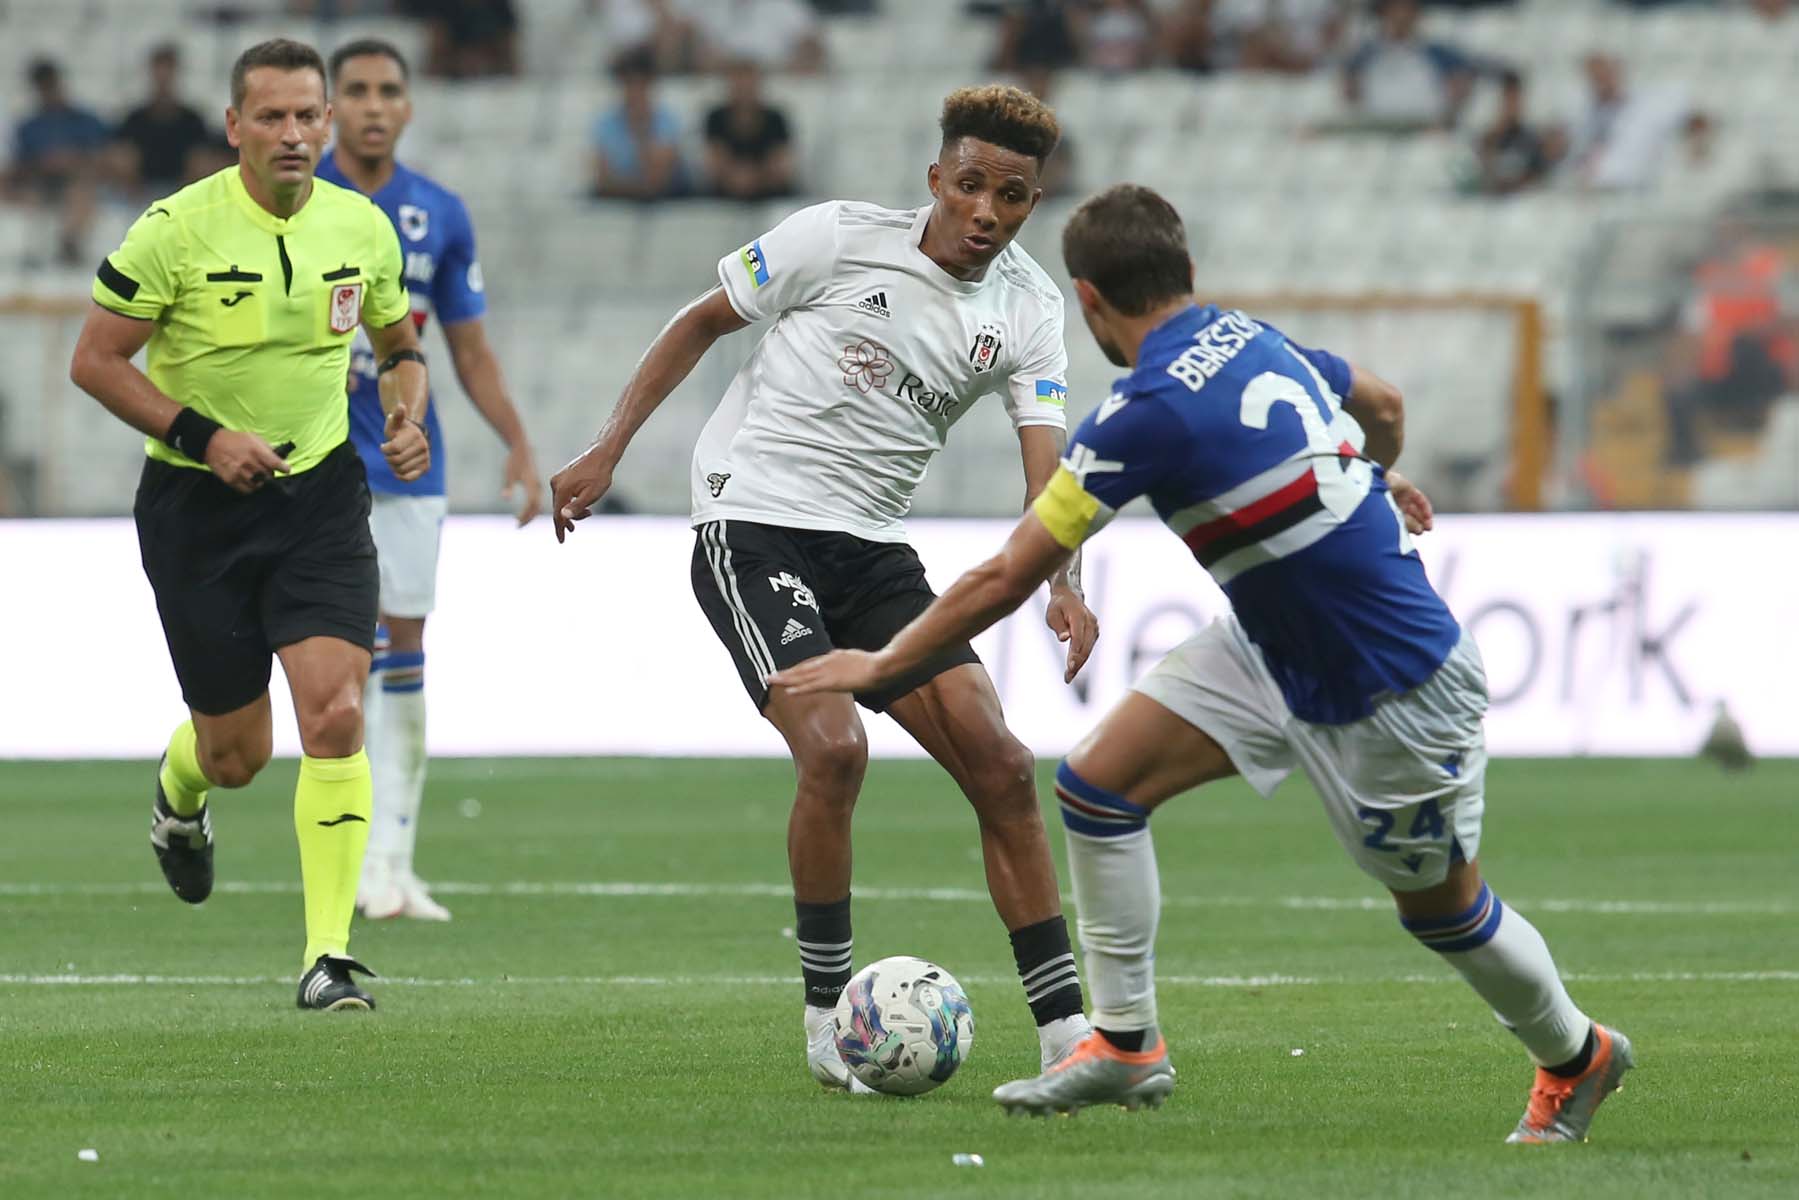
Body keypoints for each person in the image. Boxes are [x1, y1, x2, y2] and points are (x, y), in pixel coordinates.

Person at [771, 184, 1635, 1142]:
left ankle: (1575, 1053)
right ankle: (1126, 1044)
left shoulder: (1138, 417)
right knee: (1098, 787)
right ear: (1185, 274)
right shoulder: (1251, 336)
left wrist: (882, 660)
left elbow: (1010, 573)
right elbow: (1380, 403)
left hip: (1390, 685)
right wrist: (1364, 475)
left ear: (1090, 302)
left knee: (1440, 908)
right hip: (1271, 644)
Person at [551, 85, 1100, 1090]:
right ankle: (823, 1019)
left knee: (1001, 764)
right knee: (835, 746)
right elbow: (698, 321)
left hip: (872, 553)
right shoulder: (836, 239)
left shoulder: (1027, 308)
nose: (986, 212)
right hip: (751, 523)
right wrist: (606, 448)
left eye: (1012, 197)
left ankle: (1069, 1039)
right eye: (970, 186)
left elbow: (1046, 472)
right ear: (936, 179)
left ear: (1033, 201)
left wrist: (1065, 580)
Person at [68, 38, 430, 1012]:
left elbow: (399, 345)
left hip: (317, 498)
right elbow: (95, 361)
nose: (294, 134)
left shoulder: (361, 228)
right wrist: (202, 434)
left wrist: (404, 409)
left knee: (338, 712)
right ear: (233, 127)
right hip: (196, 510)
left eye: (308, 116)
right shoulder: (172, 231)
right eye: (270, 117)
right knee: (237, 756)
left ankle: (327, 957)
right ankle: (178, 795)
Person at [318, 38, 543, 922]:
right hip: (304, 462)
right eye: (358, 91)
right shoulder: (299, 201)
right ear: (333, 107)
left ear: (408, 108)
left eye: (389, 91)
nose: (375, 106)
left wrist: (519, 443)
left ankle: (391, 864)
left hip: (411, 460)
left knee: (400, 648)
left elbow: (470, 349)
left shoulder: (437, 214)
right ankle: (345, 852)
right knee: (327, 662)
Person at [5, 58, 108, 264]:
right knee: (26, 194)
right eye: (43, 87)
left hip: (77, 180)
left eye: (50, 85)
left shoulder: (84, 119)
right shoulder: (30, 125)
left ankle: (70, 242)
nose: (48, 91)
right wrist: (43, 163)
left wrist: (72, 160)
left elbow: (103, 156)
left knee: (79, 192)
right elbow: (19, 165)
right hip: (40, 183)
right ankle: (32, 251)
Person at [114, 44, 218, 200]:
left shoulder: (192, 120)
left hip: (181, 193)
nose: (163, 80)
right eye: (159, 74)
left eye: (167, 74)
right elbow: (122, 158)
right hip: (139, 194)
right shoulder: (135, 119)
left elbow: (201, 160)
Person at [589, 51, 687, 201]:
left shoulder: (668, 122)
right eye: (628, 83)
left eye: (640, 84)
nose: (634, 91)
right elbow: (601, 180)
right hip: (617, 202)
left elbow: (656, 181)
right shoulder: (604, 123)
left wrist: (640, 129)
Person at [702, 59, 796, 201]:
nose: (744, 91)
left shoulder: (776, 118)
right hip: (724, 191)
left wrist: (754, 179)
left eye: (749, 85)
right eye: (739, 86)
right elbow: (714, 162)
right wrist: (735, 178)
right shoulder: (716, 117)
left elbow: (781, 164)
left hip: (769, 191)